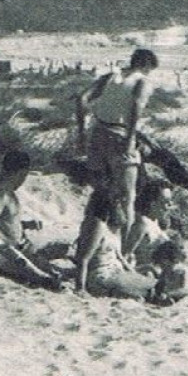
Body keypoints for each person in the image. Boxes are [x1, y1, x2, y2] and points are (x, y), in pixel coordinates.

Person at [77, 48, 160, 245]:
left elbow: (82, 99)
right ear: (147, 65)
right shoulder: (142, 81)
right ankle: (121, 249)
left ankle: (88, 240)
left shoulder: (109, 77)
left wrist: (81, 133)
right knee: (127, 197)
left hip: (97, 133)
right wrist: (131, 138)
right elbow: (135, 108)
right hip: (119, 135)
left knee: (101, 192)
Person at [0, 149, 37, 250]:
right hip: (6, 253)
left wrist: (25, 225)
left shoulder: (9, 193)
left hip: (15, 248)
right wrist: (10, 244)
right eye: (23, 176)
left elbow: (6, 223)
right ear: (19, 173)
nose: (22, 181)